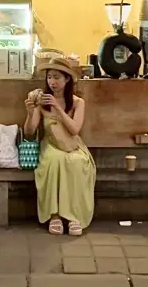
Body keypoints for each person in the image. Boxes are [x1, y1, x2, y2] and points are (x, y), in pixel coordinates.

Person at [24, 57, 96, 236]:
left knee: (77, 163)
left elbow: (74, 130)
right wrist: (30, 112)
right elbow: (29, 132)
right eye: (49, 77)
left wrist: (58, 108)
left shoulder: (78, 102)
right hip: (51, 145)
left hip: (72, 145)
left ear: (67, 79)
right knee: (55, 161)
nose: (52, 82)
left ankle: (73, 216)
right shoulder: (41, 101)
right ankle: (54, 215)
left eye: (57, 77)